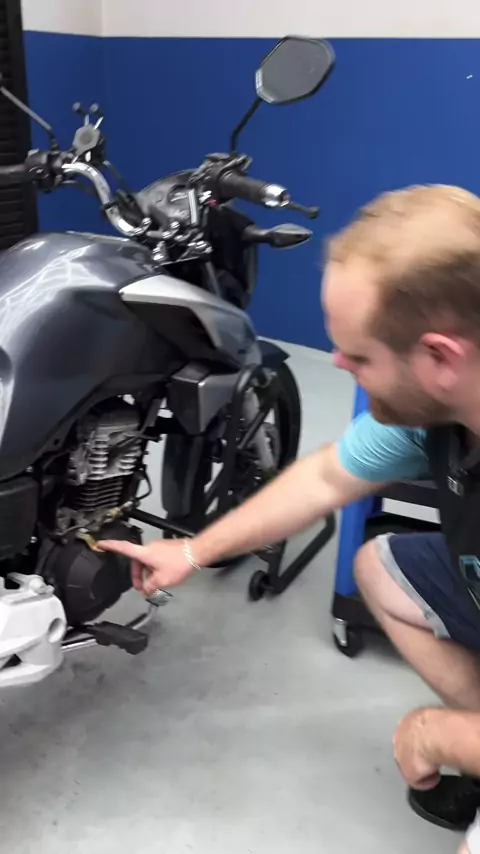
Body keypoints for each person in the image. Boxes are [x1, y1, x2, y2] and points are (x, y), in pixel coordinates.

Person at [100, 184, 480, 853]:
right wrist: (189, 552)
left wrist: (439, 735)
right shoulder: (447, 407)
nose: (337, 365)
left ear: (440, 357)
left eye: (359, 356)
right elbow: (327, 476)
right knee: (380, 568)